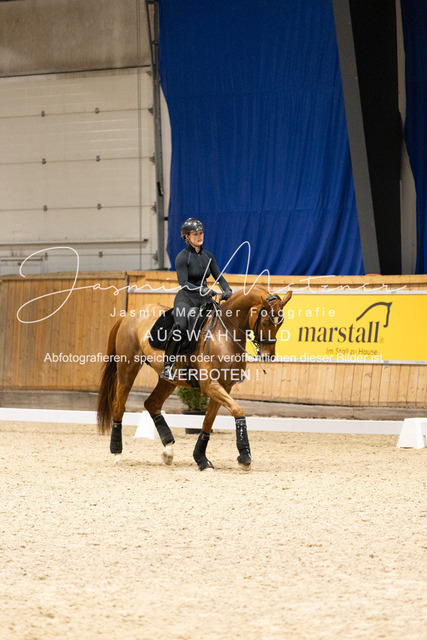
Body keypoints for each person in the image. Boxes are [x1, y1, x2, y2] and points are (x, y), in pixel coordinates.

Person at [161, 218, 233, 381]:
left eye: (201, 233)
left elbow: (219, 277)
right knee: (180, 326)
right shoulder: (182, 257)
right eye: (195, 234)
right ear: (187, 237)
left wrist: (227, 290)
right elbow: (184, 283)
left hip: (204, 299)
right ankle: (168, 366)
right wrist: (201, 289)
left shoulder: (208, 256)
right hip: (186, 299)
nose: (200, 236)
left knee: (225, 322)